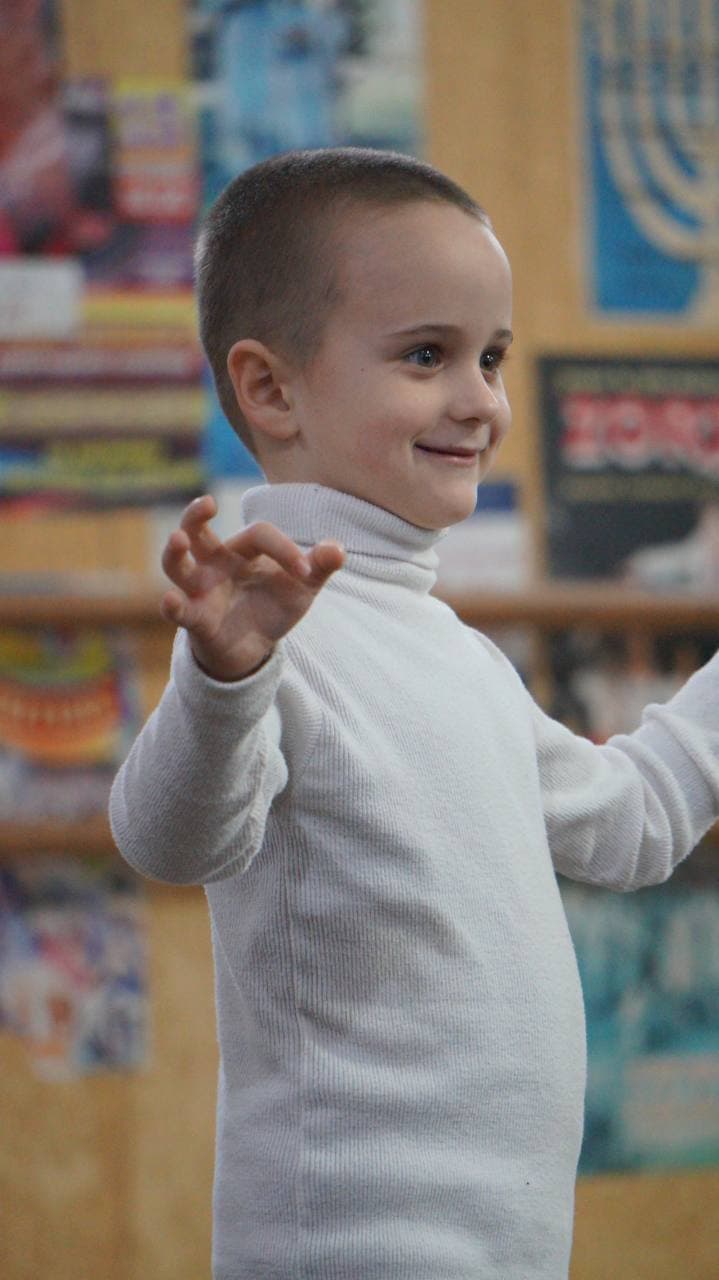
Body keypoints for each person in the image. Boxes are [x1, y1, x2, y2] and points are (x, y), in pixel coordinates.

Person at [109, 147, 719, 1280]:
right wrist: (222, 680)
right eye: (426, 355)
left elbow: (632, 822)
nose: (480, 399)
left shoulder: (455, 654)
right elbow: (168, 836)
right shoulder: (269, 635)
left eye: (490, 356)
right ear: (270, 390)